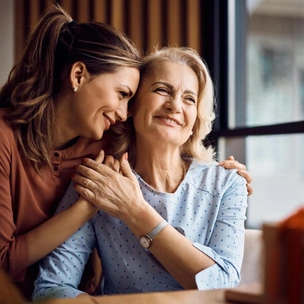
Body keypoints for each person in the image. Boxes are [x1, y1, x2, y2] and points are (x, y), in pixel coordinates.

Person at [32, 46, 249, 300]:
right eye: (162, 90)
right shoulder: (100, 182)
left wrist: (135, 212)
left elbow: (224, 284)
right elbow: (50, 289)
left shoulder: (227, 184)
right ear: (132, 105)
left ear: (195, 121)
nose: (175, 105)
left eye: (189, 98)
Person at [0, 4, 142, 300]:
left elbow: (169, 158)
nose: (124, 113)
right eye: (122, 95)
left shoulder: (109, 143)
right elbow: (3, 261)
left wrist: (224, 173)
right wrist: (86, 207)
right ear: (78, 75)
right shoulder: (4, 139)